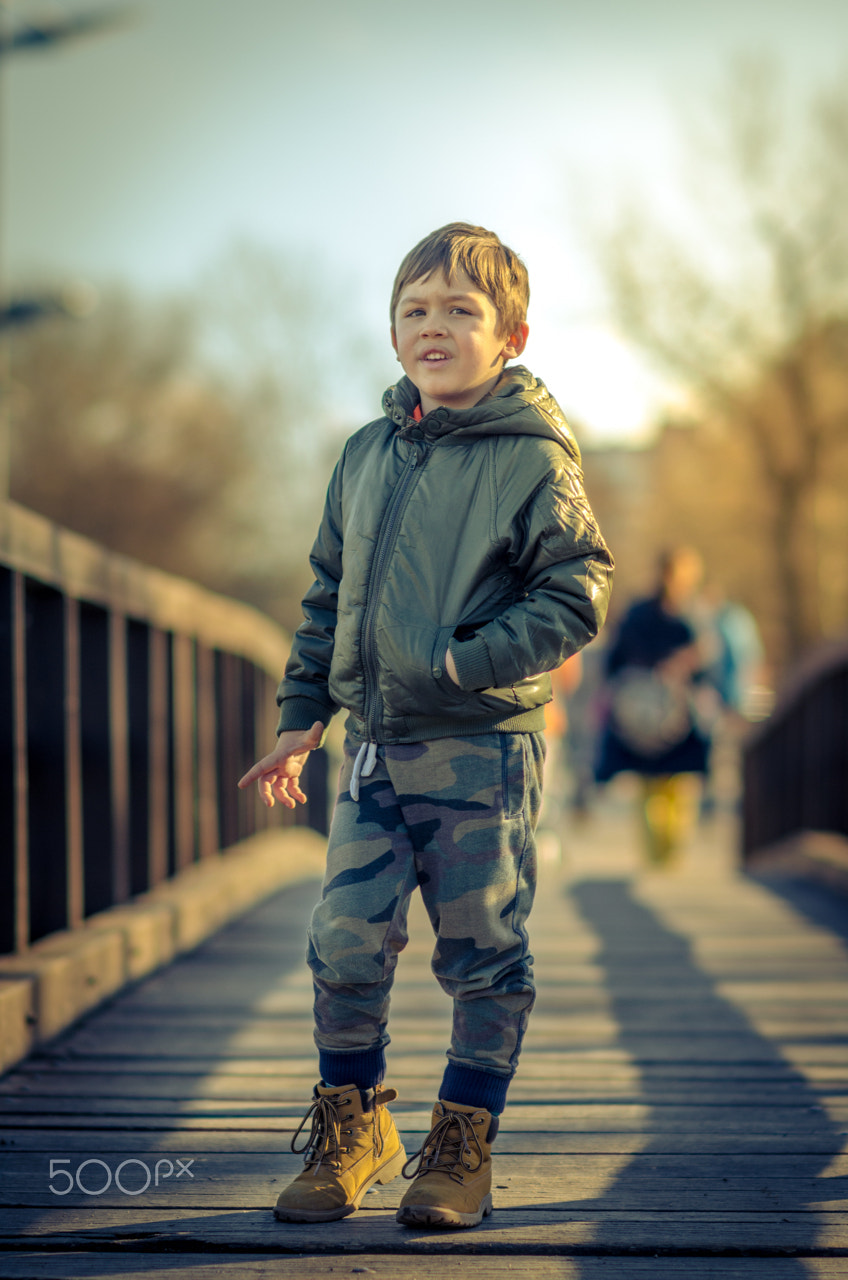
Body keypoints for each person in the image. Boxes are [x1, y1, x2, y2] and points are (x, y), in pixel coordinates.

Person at [238, 222, 613, 1230]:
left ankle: (461, 1142)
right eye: (415, 309)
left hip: (481, 748)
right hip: (369, 750)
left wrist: (463, 658)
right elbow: (329, 594)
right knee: (342, 942)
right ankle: (353, 1127)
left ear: (511, 337)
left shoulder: (533, 456)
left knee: (482, 948)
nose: (433, 325)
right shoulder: (366, 453)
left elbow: (577, 592)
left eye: (460, 309)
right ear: (393, 330)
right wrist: (299, 717)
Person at [594, 546, 709, 867]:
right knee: (655, 787)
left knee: (674, 787)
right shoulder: (687, 614)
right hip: (651, 713)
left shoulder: (677, 612)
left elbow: (614, 662)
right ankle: (660, 860)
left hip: (669, 714)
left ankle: (664, 857)